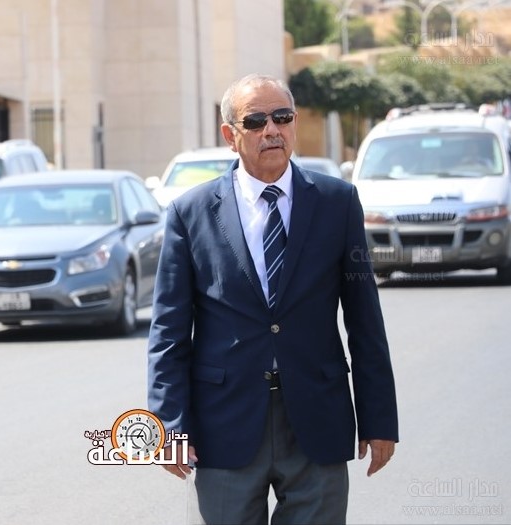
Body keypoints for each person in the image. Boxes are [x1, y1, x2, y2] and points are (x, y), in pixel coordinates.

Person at [146, 74, 398, 525]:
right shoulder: (190, 213)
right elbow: (168, 332)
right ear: (230, 135)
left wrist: (378, 418)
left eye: (282, 117)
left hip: (317, 418)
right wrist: (169, 424)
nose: (272, 130)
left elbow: (364, 319)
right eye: (256, 121)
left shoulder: (338, 202)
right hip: (224, 424)